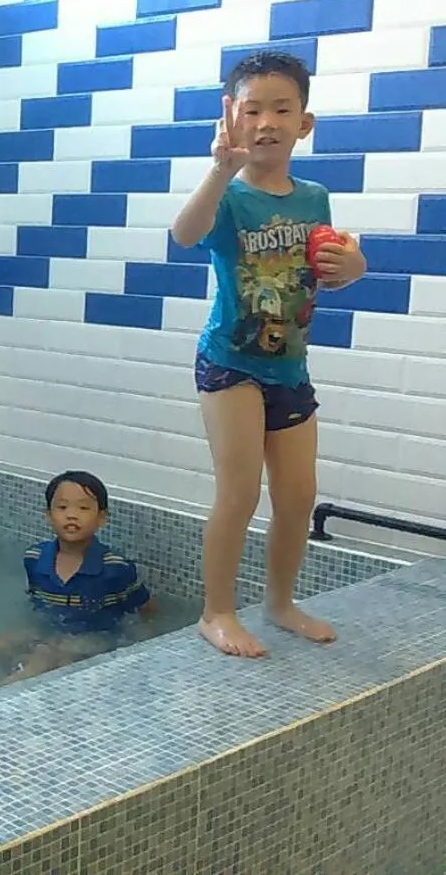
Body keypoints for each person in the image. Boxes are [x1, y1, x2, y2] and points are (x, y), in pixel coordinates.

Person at [169, 51, 367, 658]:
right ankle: (217, 611)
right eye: (251, 110)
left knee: (298, 493)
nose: (266, 122)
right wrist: (218, 173)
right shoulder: (227, 196)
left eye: (281, 109)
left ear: (303, 123)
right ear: (232, 121)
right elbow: (185, 234)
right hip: (230, 362)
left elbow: (323, 272)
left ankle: (280, 602)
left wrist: (352, 268)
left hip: (290, 365)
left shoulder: (314, 197)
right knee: (240, 490)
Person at [0, 471, 151, 699]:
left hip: (94, 637)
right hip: (50, 628)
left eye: (83, 508)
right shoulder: (36, 558)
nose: (71, 515)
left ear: (101, 518)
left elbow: (145, 609)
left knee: (45, 655)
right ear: (48, 516)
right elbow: (38, 604)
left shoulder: (114, 568)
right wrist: (31, 634)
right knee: (2, 642)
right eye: (62, 508)